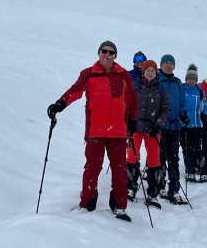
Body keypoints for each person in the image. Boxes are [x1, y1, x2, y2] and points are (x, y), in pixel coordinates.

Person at [46, 40, 138, 221]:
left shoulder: (123, 75)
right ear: (99, 53)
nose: (108, 55)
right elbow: (75, 90)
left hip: (118, 131)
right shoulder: (89, 74)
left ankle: (119, 206)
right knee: (92, 168)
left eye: (112, 53)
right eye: (104, 51)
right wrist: (60, 104)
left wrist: (133, 120)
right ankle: (87, 203)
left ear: (115, 56)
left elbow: (132, 100)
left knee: (120, 169)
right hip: (95, 131)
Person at [126, 60, 169, 207]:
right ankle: (130, 187)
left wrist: (158, 125)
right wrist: (130, 121)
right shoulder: (136, 86)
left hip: (152, 129)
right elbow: (128, 104)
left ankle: (153, 191)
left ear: (156, 72)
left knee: (154, 159)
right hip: (136, 127)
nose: (150, 73)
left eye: (152, 70)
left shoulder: (161, 89)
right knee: (132, 156)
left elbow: (165, 109)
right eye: (147, 70)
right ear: (143, 72)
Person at [157, 54, 190, 204]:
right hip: (160, 125)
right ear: (161, 65)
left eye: (171, 63)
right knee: (160, 157)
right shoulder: (157, 80)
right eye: (166, 63)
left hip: (175, 125)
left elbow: (182, 101)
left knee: (174, 158)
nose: (168, 65)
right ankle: (160, 186)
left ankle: (174, 189)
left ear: (174, 66)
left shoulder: (177, 82)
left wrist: (184, 114)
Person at [180, 64, 207, 183]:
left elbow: (205, 106)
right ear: (186, 79)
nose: (191, 80)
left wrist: (204, 114)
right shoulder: (181, 90)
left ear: (196, 80)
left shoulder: (200, 93)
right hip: (183, 125)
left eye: (193, 79)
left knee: (198, 149)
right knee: (187, 149)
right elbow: (178, 105)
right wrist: (182, 115)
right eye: (189, 78)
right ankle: (190, 170)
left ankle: (202, 170)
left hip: (196, 125)